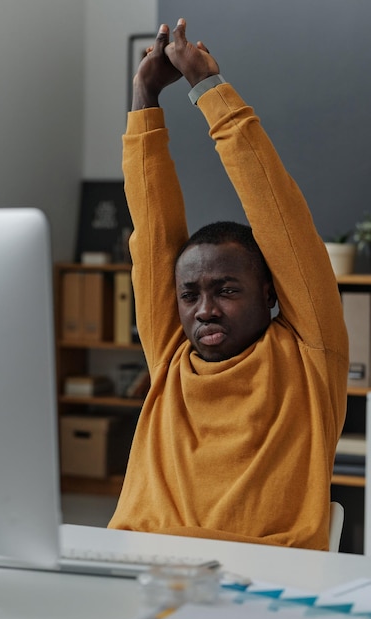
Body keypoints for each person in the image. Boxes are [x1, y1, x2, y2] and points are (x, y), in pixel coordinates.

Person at [108, 18, 349, 550]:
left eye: (228, 289)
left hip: (260, 582)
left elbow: (280, 215)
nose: (205, 309)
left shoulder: (309, 355)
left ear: (269, 293)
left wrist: (210, 92)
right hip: (140, 569)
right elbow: (152, 229)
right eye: (190, 295)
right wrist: (143, 96)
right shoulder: (170, 355)